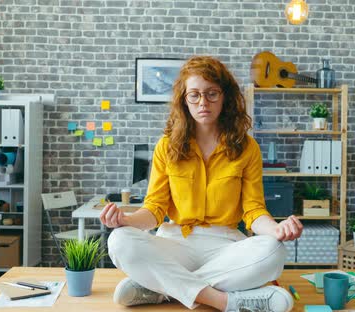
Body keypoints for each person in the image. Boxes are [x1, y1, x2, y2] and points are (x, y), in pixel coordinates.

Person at [100, 56, 303, 312]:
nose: (203, 103)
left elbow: (253, 211)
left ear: (225, 96)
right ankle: (225, 300)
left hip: (225, 246)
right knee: (119, 241)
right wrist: (126, 221)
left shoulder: (247, 148)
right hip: (174, 242)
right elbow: (155, 209)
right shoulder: (166, 146)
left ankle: (162, 289)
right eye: (194, 95)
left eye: (212, 94)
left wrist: (276, 230)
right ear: (184, 100)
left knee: (274, 251)